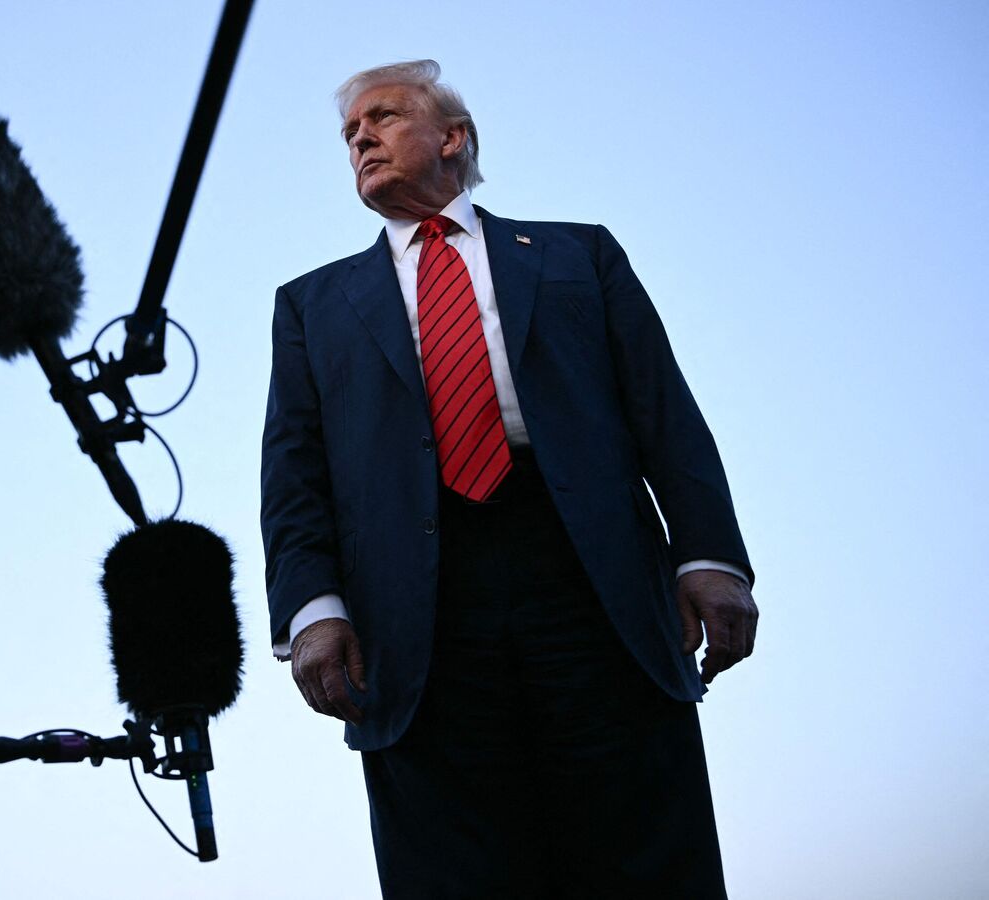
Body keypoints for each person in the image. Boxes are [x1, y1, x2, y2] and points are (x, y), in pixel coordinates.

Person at [260, 60, 758, 898]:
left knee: (641, 850)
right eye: (350, 133)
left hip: (591, 578)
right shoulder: (311, 305)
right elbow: (293, 472)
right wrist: (313, 610)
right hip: (413, 612)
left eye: (384, 117)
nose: (361, 138)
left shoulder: (578, 254)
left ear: (453, 138)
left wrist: (708, 556)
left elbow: (663, 410)